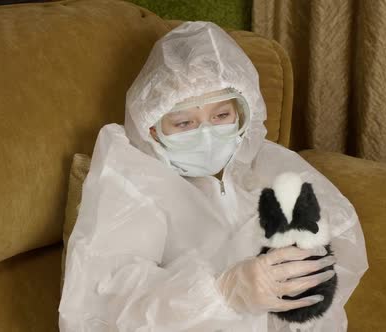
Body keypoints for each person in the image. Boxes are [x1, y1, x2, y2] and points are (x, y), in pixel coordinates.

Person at [58, 21, 368, 332]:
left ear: (244, 114)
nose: (207, 135)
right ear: (151, 126)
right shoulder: (134, 182)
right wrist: (222, 292)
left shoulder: (267, 164)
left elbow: (340, 239)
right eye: (184, 123)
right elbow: (108, 303)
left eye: (221, 116)